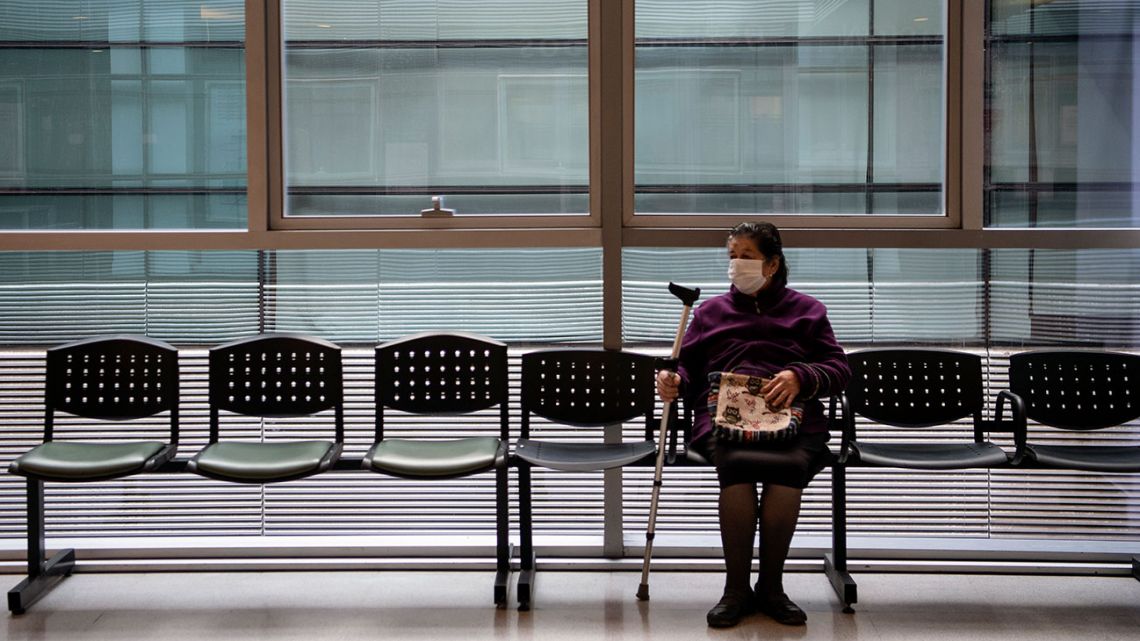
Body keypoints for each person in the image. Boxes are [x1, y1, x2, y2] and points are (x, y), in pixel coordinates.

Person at [656, 221, 850, 628]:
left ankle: (772, 588)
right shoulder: (710, 312)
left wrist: (800, 376)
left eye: (747, 256)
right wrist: (673, 381)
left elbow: (839, 369)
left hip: (793, 419)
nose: (736, 264)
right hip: (726, 417)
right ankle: (736, 590)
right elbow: (688, 367)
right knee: (737, 470)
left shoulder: (808, 311)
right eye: (732, 256)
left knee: (787, 474)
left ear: (772, 264)